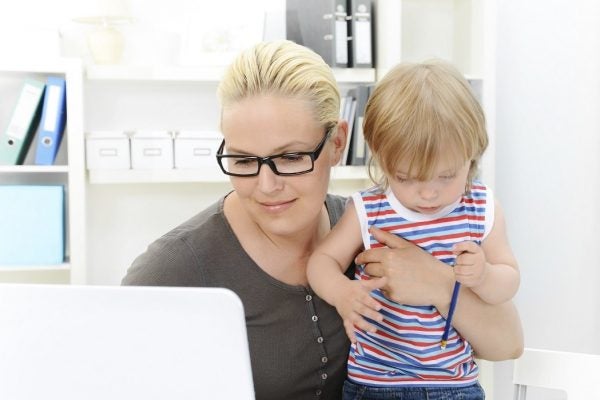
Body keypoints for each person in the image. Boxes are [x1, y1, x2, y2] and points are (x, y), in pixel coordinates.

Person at [122, 41, 523, 400]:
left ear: (337, 144)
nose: (266, 185)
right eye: (244, 160)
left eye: (291, 157)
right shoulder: (176, 266)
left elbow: (507, 343)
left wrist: (437, 282)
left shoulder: (373, 224)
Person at [307, 60, 520, 399]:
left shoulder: (480, 209)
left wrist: (483, 276)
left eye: (447, 175)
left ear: (472, 153)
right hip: (373, 387)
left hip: (454, 388)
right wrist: (342, 293)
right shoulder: (369, 209)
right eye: (406, 178)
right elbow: (320, 262)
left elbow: (507, 281)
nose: (428, 193)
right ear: (381, 158)